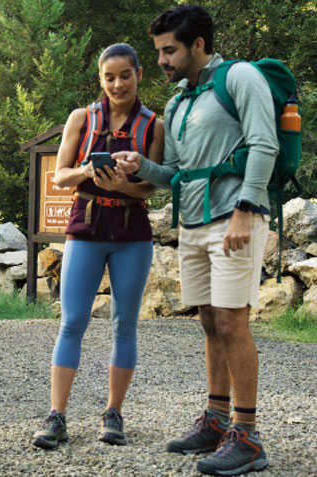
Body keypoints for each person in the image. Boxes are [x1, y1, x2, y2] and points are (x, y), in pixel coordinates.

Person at [114, 5, 276, 475]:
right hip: (195, 224)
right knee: (208, 320)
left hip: (235, 218)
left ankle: (247, 435)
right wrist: (140, 166)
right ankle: (216, 418)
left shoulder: (240, 78)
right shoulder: (179, 101)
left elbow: (264, 144)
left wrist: (247, 209)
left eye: (169, 51)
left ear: (198, 46)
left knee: (232, 321)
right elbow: (179, 175)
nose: (161, 61)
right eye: (159, 51)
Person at [31, 43, 164, 450]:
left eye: (125, 75)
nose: (118, 84)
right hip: (85, 228)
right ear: (100, 80)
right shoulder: (81, 118)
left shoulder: (153, 125)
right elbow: (60, 177)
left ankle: (114, 413)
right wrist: (91, 168)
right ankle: (56, 417)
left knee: (125, 323)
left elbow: (153, 185)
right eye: (110, 77)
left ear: (139, 74)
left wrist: (125, 183)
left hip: (131, 233)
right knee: (72, 322)